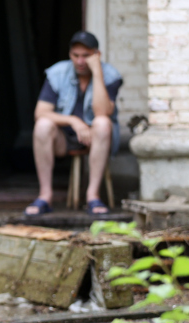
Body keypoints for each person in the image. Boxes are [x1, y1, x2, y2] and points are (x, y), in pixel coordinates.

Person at [25, 31, 123, 217]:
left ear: (97, 54)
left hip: (97, 139)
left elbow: (102, 111)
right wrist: (73, 121)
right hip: (64, 138)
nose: (79, 61)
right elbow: (40, 113)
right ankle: (45, 195)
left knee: (102, 122)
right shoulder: (57, 73)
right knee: (43, 125)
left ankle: (93, 196)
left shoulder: (110, 75)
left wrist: (97, 73)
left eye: (86, 56)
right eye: (75, 55)